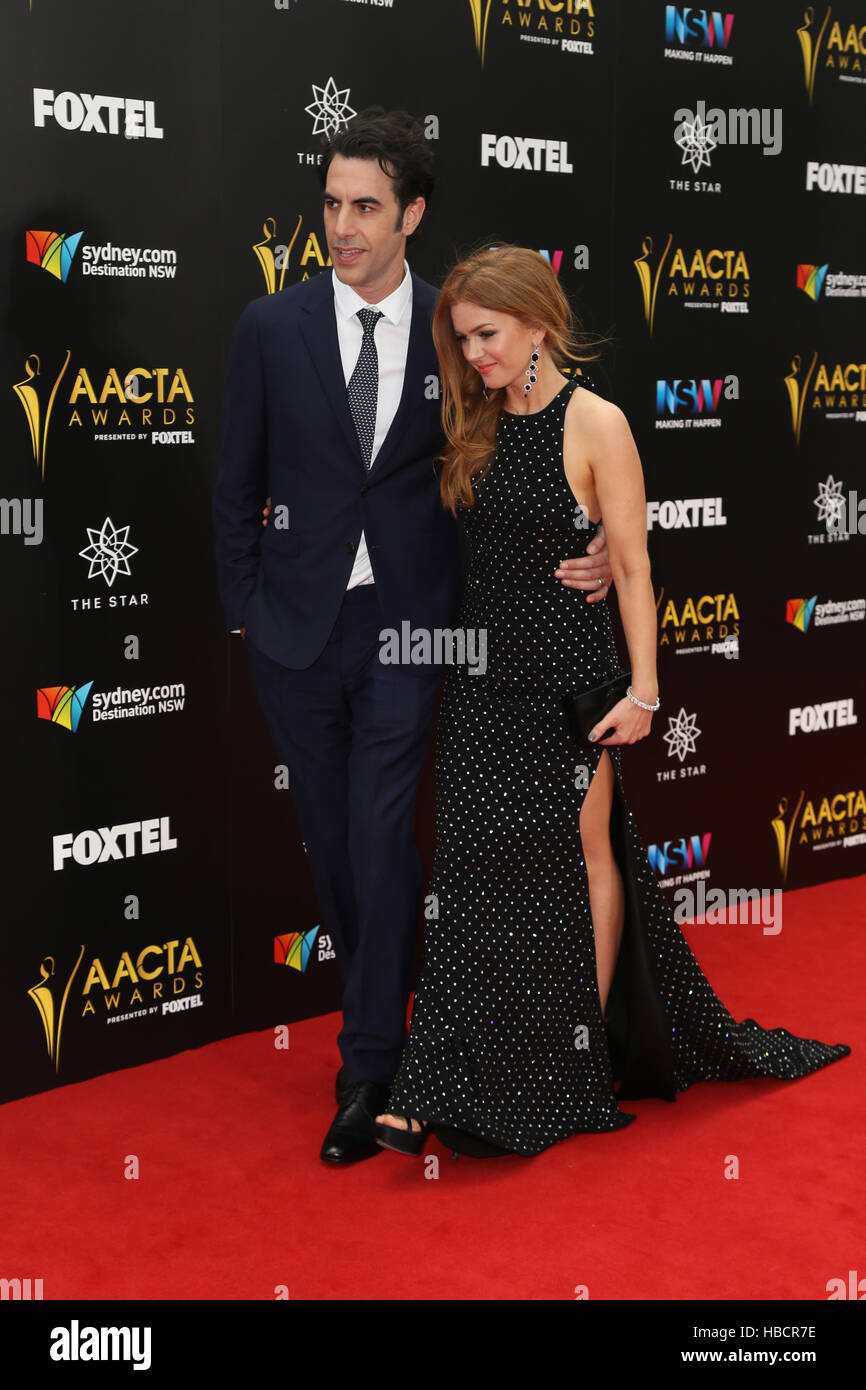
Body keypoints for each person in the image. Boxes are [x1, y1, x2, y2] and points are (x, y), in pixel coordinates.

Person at [374, 244, 851, 1159]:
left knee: (584, 858)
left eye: (487, 335)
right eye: (463, 338)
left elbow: (632, 566)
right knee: (468, 875)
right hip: (479, 678)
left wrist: (645, 692)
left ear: (539, 326)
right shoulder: (468, 416)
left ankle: (572, 1068)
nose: (474, 354)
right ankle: (436, 1077)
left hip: (567, 680)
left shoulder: (598, 424)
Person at [212, 112, 614, 1166]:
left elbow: (538, 441)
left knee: (383, 831)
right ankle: (387, 1025)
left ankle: (370, 1065)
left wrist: (603, 540)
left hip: (414, 631)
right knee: (337, 839)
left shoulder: (457, 322)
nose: (341, 227)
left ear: (411, 215)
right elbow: (233, 488)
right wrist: (249, 608)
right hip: (295, 630)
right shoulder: (269, 325)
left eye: (365, 208)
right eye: (331, 205)